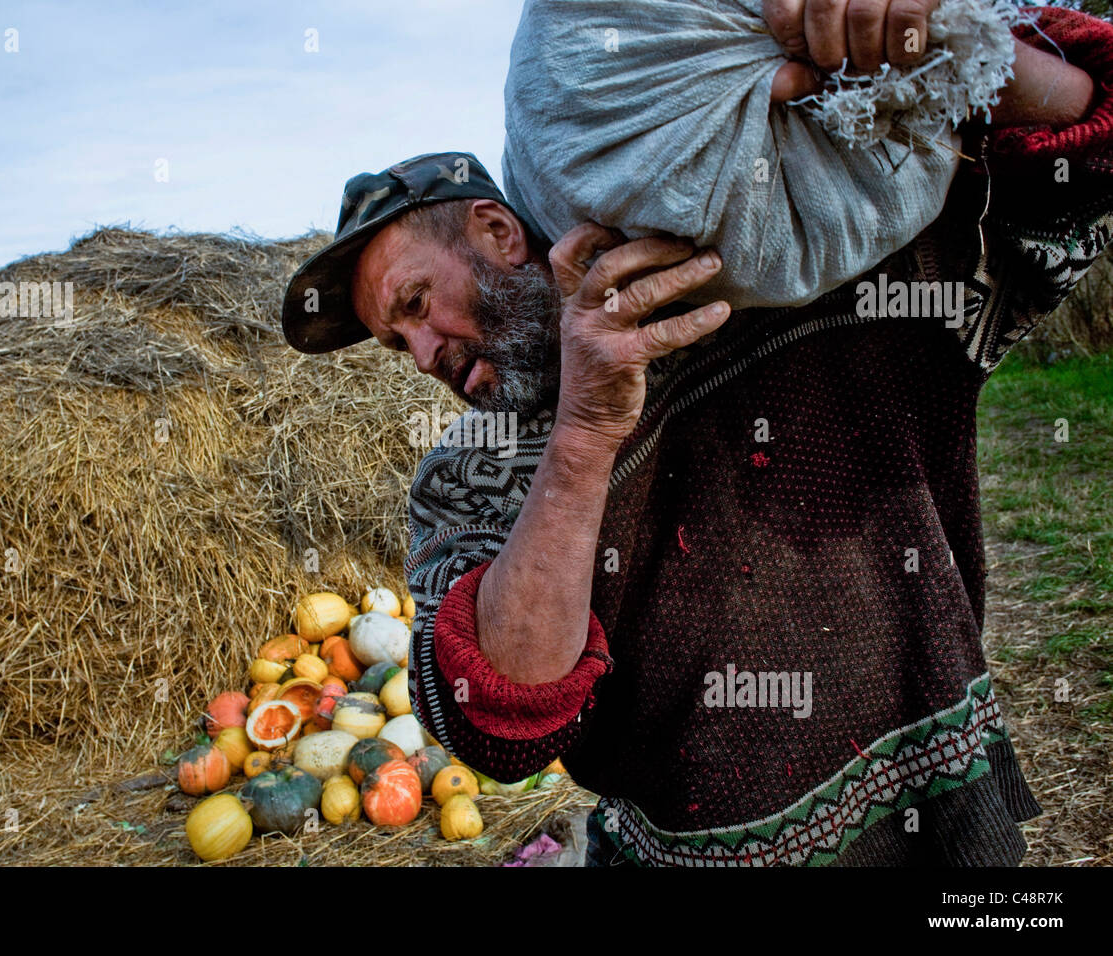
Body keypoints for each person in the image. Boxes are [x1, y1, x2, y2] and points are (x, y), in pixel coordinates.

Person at [280, 2, 1113, 865]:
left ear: (496, 232)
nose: (420, 356)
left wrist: (918, 37)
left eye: (416, 306)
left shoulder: (830, 270)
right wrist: (587, 432)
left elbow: (1082, 157)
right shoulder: (471, 472)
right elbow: (494, 726)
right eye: (395, 343)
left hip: (943, 823)